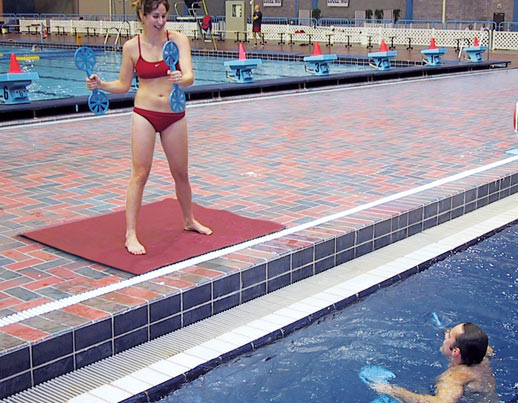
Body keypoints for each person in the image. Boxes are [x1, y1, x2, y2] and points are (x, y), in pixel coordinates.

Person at [86, 0, 212, 255]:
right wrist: (101, 85)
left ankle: (189, 220)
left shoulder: (178, 40)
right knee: (139, 174)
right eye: (155, 16)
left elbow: (189, 76)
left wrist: (181, 78)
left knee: (181, 173)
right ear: (143, 16)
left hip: (174, 114)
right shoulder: (132, 47)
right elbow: (123, 85)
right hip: (144, 113)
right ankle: (130, 234)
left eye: (164, 16)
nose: (161, 21)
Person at [372, 322, 498, 402]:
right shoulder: (480, 354)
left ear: (455, 352)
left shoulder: (454, 377)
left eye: (448, 336)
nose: (446, 335)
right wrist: (444, 330)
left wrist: (392, 390)